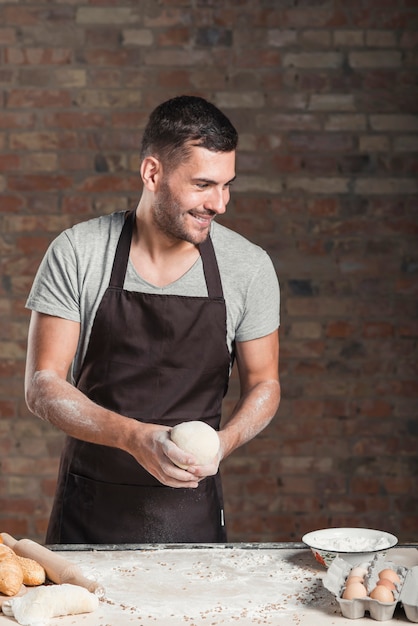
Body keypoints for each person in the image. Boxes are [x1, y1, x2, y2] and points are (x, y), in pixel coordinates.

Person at [24, 95, 281, 544]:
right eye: (203, 185)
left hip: (192, 516)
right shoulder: (80, 252)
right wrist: (133, 437)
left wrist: (224, 443)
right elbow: (43, 384)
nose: (219, 203)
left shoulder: (248, 267)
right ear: (152, 173)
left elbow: (265, 384)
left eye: (227, 185)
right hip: (89, 513)